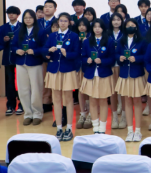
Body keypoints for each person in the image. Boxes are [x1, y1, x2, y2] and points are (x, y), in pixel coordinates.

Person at [41, 13, 79, 141]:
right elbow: (44, 49)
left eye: (65, 21)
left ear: (69, 23)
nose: (62, 23)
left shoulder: (73, 36)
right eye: (61, 21)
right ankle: (58, 128)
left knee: (68, 99)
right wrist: (48, 51)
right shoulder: (53, 35)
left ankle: (69, 128)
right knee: (56, 99)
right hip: (54, 70)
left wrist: (67, 53)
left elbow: (76, 53)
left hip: (68, 70)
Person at [80, 19, 115, 135]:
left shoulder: (109, 41)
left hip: (104, 74)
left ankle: (102, 128)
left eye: (99, 27)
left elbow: (112, 58)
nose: (97, 29)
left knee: (103, 100)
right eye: (95, 27)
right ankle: (95, 128)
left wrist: (102, 61)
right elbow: (82, 57)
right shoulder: (87, 41)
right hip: (90, 74)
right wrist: (87, 60)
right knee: (92, 101)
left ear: (103, 28)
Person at [12, 9, 46, 126]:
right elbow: (13, 45)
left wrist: (35, 51)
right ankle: (27, 114)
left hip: (35, 63)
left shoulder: (40, 31)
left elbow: (44, 47)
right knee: (23, 90)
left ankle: (37, 114)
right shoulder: (19, 31)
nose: (28, 20)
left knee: (36, 89)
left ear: (34, 19)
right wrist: (17, 50)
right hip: (21, 63)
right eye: (26, 18)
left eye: (30, 17)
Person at [116, 18, 146, 142]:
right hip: (124, 75)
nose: (130, 27)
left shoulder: (141, 40)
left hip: (136, 74)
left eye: (132, 25)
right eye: (128, 25)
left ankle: (137, 131)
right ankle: (130, 131)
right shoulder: (121, 40)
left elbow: (146, 56)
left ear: (136, 27)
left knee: (137, 102)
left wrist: (137, 58)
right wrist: (120, 58)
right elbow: (116, 54)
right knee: (127, 102)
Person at [0, 6, 22, 116]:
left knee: (22, 82)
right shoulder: (3, 27)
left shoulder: (22, 26)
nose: (11, 15)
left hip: (20, 58)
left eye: (13, 13)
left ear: (18, 15)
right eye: (9, 13)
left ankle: (22, 104)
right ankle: (10, 105)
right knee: (9, 82)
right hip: (8, 58)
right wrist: (3, 40)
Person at [74, 18, 92, 129]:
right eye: (79, 25)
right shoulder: (75, 37)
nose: (81, 27)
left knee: (89, 90)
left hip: (88, 67)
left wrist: (86, 41)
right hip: (77, 67)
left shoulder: (91, 37)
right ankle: (83, 113)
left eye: (84, 25)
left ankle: (91, 113)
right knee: (80, 90)